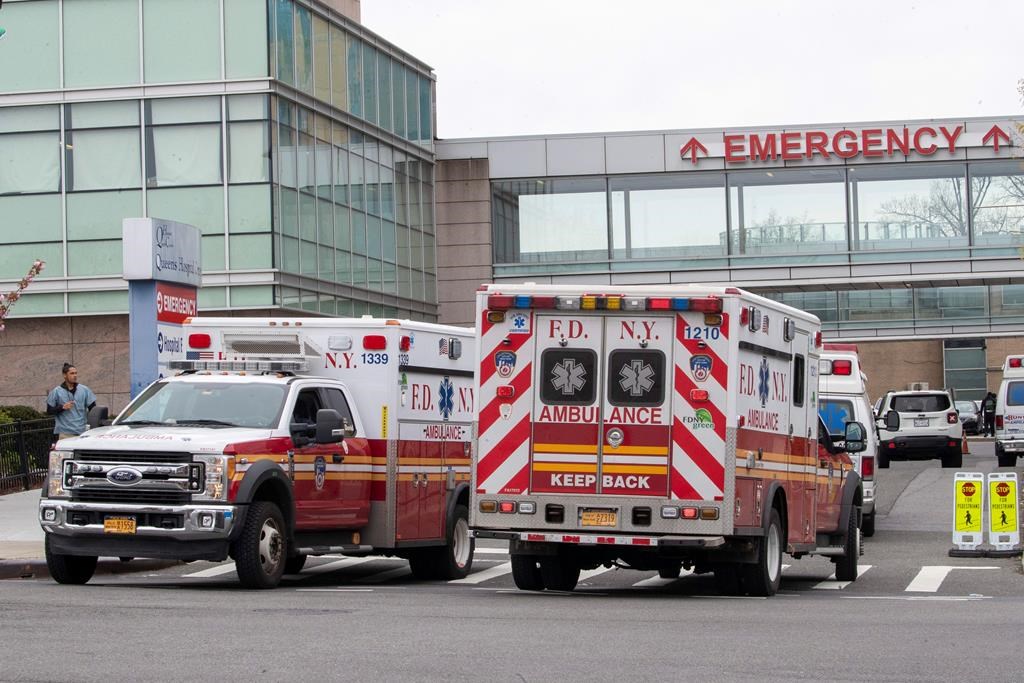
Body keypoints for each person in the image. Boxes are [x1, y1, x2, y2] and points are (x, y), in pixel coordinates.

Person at [46, 362, 97, 441]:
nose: (75, 375)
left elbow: (93, 409)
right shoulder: (56, 391)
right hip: (65, 434)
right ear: (64, 375)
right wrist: (62, 407)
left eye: (76, 373)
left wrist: (91, 427)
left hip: (82, 433)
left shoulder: (84, 390)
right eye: (72, 373)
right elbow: (49, 411)